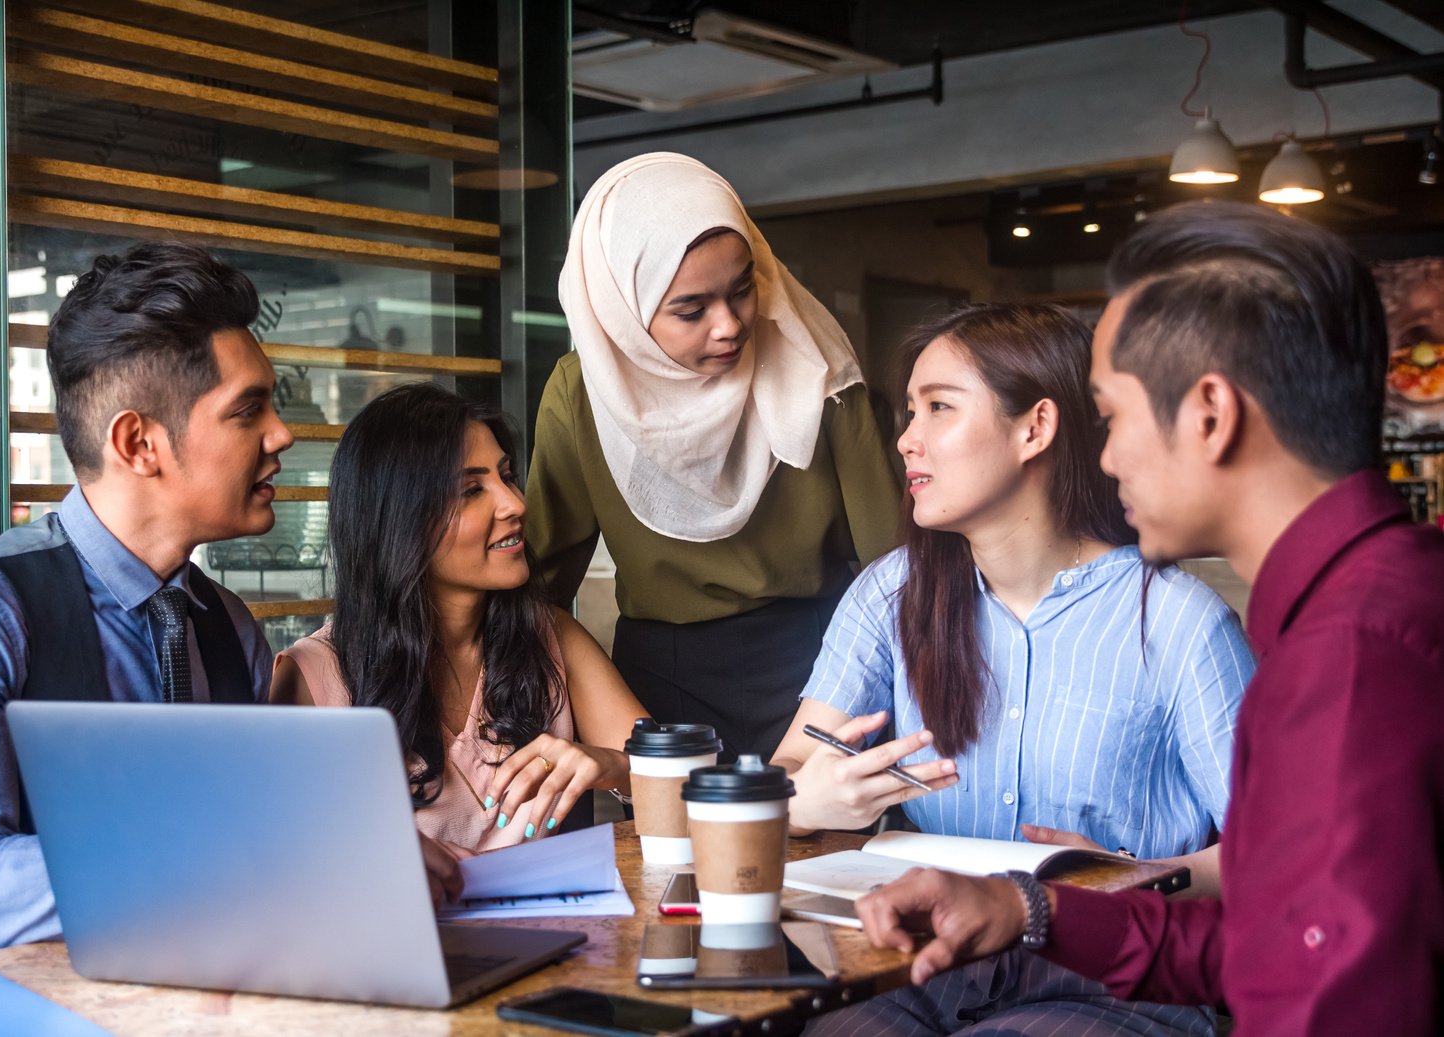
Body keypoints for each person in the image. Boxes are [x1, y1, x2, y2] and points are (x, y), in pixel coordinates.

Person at [851, 203, 1444, 1035]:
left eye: (1115, 415)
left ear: (1210, 414)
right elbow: (1268, 942)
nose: (1104, 456)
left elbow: (1335, 996)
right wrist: (1031, 907)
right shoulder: (1365, 602)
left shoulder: (1351, 651)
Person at [772, 302, 1253, 1036]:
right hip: (917, 963)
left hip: (1110, 976)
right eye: (910, 411)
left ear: (1036, 427)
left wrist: (1137, 881)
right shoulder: (891, 594)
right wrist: (810, 798)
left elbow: (1269, 854)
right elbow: (790, 770)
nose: (907, 440)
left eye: (939, 407)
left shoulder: (1181, 621)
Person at [0, 242, 293, 964]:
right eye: (248, 410)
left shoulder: (229, 627)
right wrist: (251, 858)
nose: (281, 434)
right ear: (139, 442)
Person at [525, 152, 903, 763]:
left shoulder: (816, 368)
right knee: (675, 854)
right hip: (663, 679)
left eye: (742, 291)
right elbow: (543, 571)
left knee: (831, 855)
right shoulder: (583, 390)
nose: (729, 326)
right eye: (691, 309)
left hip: (821, 665)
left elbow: (895, 563)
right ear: (625, 312)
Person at [271, 384, 648, 877]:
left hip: (558, 936)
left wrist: (612, 766)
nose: (514, 503)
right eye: (472, 490)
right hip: (406, 950)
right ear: (398, 521)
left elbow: (692, 781)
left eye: (507, 477)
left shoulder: (550, 634)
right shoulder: (314, 676)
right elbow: (281, 867)